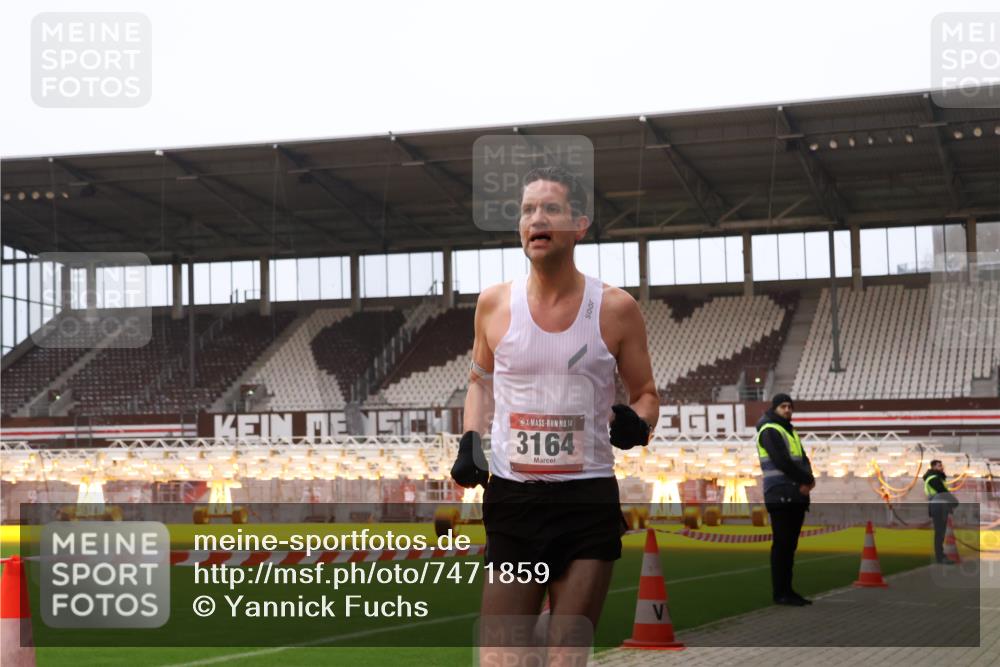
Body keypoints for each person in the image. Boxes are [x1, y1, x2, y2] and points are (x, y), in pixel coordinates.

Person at [450, 165, 660, 655]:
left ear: (579, 224)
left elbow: (647, 393)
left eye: (550, 208)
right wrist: (470, 439)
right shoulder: (493, 305)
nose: (535, 219)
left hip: (585, 500)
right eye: (527, 210)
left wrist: (638, 423)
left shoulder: (615, 308)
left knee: (567, 655)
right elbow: (479, 383)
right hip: (514, 501)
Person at [756, 393, 815, 606]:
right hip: (780, 492)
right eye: (783, 406)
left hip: (794, 493)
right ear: (775, 409)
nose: (788, 410)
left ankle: (787, 591)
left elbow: (803, 459)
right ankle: (781, 593)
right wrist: (805, 479)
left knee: (789, 546)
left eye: (790, 406)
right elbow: (782, 461)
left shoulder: (790, 431)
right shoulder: (770, 430)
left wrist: (808, 480)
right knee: (782, 545)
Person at [924, 459, 959, 564]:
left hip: (939, 506)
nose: (941, 467)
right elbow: (943, 491)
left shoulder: (937, 478)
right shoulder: (933, 478)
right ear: (933, 467)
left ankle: (941, 556)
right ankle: (940, 557)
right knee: (939, 533)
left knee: (941, 533)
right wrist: (954, 502)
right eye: (939, 466)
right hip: (938, 507)